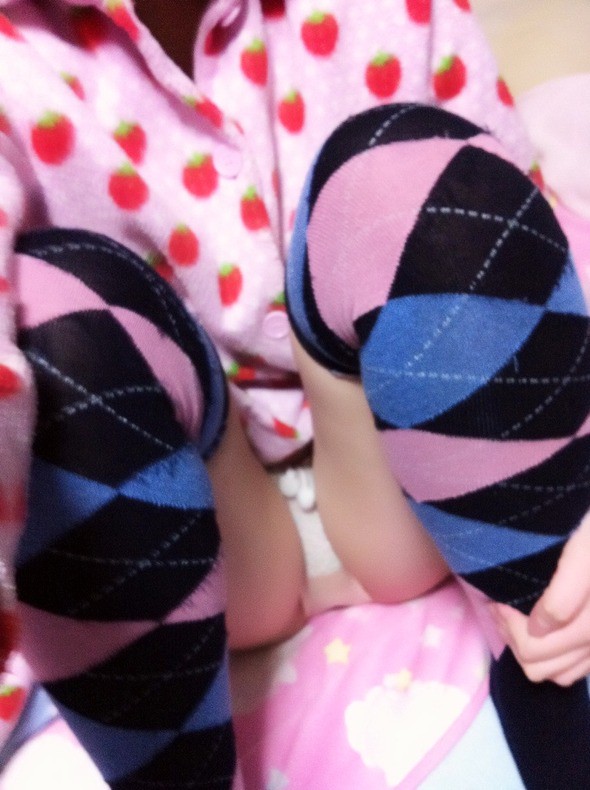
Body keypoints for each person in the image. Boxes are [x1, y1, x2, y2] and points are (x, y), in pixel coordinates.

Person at [0, 0, 567, 787]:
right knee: (52, 327)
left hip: (401, 469)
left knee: (425, 181)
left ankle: (558, 669)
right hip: (194, 517)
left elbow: (526, 237)